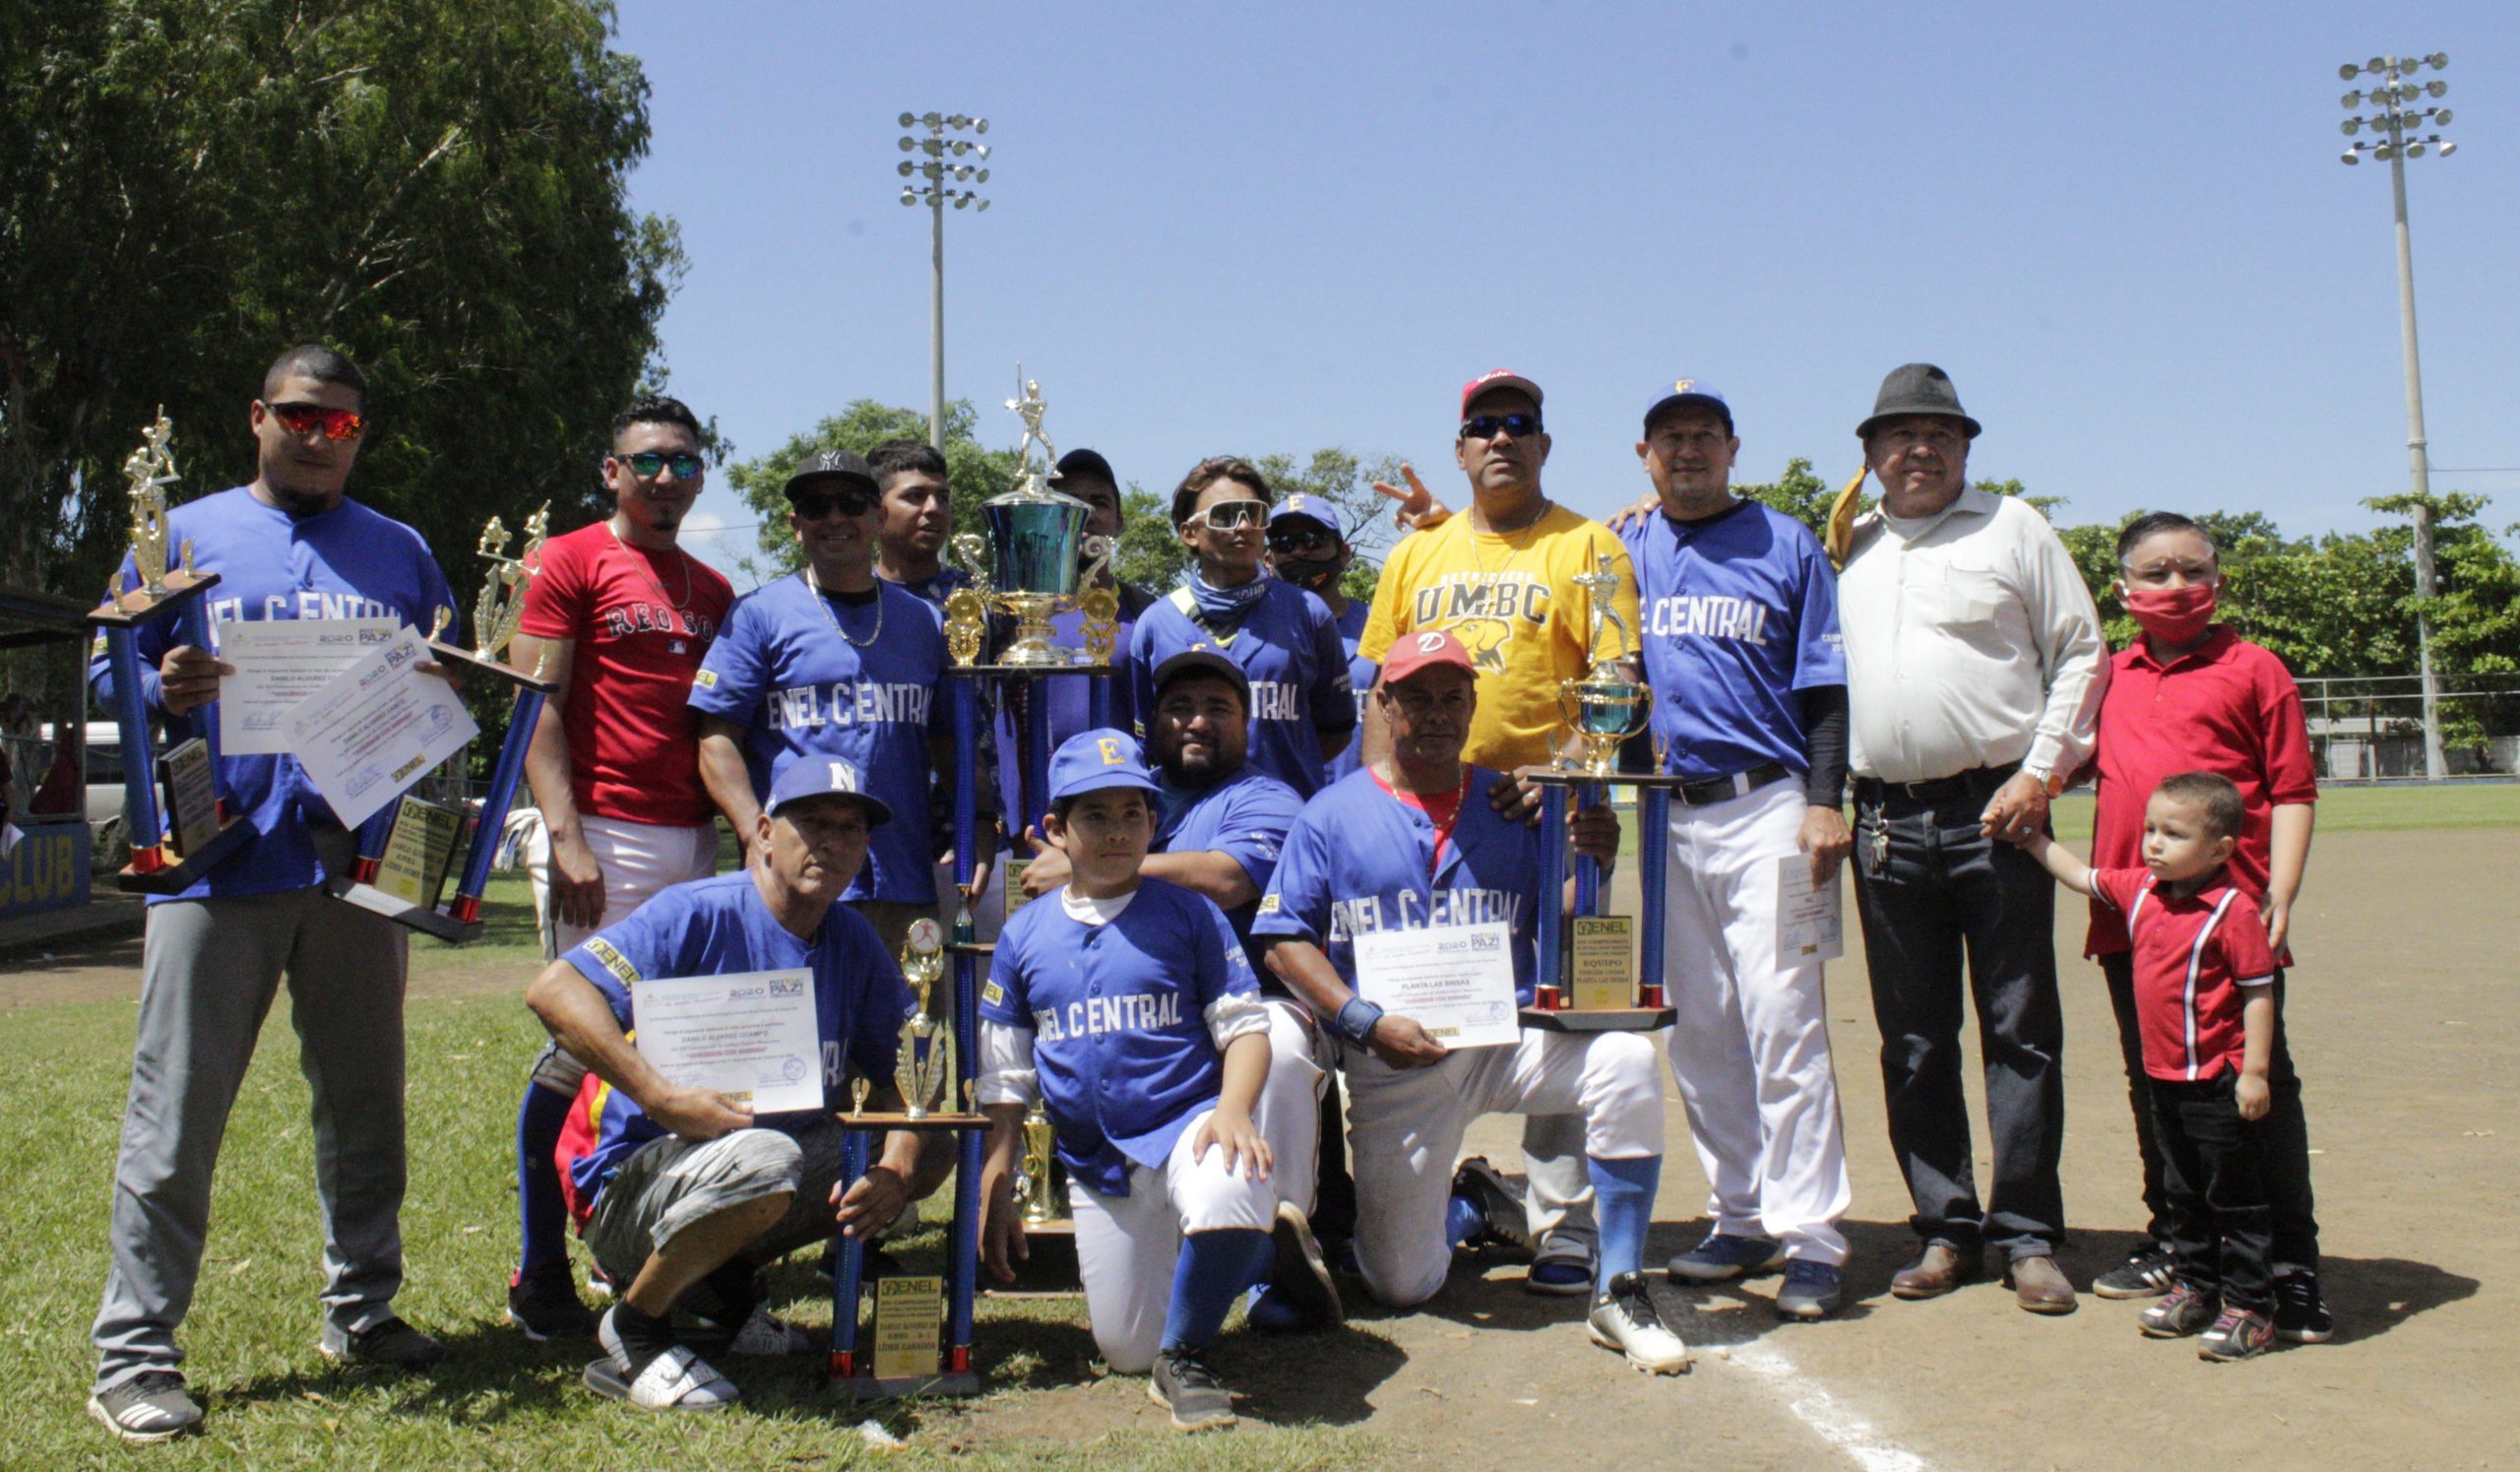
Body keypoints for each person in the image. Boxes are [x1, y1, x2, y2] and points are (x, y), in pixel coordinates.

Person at [86, 346, 458, 1443]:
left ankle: (364, 1309)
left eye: (340, 423)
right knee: (178, 1110)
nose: (318, 435)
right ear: (258, 416)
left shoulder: (400, 550)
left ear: (359, 434)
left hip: (350, 869)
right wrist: (158, 680)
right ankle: (135, 1355)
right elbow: (106, 656)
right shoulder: (184, 533)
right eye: (300, 415)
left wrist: (437, 689)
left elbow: (443, 668)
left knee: (365, 1103)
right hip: (218, 866)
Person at [1252, 630, 1687, 1374]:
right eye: (1417, 696)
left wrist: (1596, 857)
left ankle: (1618, 1284)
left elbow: (1566, 924)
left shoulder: (1511, 803)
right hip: (1397, 1055)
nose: (1437, 713)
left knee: (1626, 1062)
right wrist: (1360, 1019)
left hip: (1507, 1039)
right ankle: (1474, 1204)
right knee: (1400, 1283)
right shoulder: (1331, 811)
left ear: (1474, 704)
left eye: (1453, 697)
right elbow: (1282, 939)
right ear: (1383, 703)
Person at [528, 757, 951, 1409]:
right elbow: (555, 990)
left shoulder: (852, 938)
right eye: (811, 822)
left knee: (930, 1141)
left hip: (747, 1168)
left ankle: (709, 1286)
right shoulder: (697, 912)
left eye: (851, 828)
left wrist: (895, 1168)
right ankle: (636, 1325)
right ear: (762, 831)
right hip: (634, 1184)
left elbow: (905, 1078)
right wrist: (659, 1094)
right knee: (767, 1157)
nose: (832, 842)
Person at [1356, 370, 1642, 1297]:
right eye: (1484, 425)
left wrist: (1555, 773)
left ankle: (1563, 1221)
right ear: (1461, 446)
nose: (1502, 439)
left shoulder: (1587, 545)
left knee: (1565, 1005)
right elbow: (1377, 687)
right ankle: (1419, 1187)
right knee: (1411, 995)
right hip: (1426, 808)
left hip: (1539, 809)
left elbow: (1614, 686)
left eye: (1521, 424)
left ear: (1545, 444)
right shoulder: (1418, 553)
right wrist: (1373, 795)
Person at [1835, 362, 2107, 1314]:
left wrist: (2041, 771)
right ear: (1868, 455)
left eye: (1938, 435)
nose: (1918, 450)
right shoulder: (1849, 545)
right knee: (1912, 1039)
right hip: (1886, 820)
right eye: (1898, 436)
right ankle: (1946, 1227)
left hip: (2001, 810)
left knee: (2019, 1028)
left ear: (1965, 448)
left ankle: (2027, 1233)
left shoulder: (2013, 526)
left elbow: (2081, 650)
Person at [977, 730, 1338, 1431]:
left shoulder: (1189, 912)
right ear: (1055, 828)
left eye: (1133, 813)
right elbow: (1004, 1066)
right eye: (1096, 816)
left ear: (1153, 819)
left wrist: (1235, 1107)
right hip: (1092, 1154)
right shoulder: (1026, 934)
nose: (1117, 832)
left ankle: (1189, 1355)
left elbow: (1245, 1027)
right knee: (1124, 1347)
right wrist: (998, 1166)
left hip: (1185, 1123)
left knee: (1231, 1183)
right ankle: (1271, 1251)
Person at [1617, 380, 1857, 1320]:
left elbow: (1827, 683)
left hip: (1770, 805)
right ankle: (1742, 1210)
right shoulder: (1623, 544)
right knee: (1703, 1026)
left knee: (1784, 1021)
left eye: (1704, 436)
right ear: (1644, 456)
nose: (1688, 451)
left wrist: (1827, 798)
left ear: (1733, 448)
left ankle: (1814, 1234)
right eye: (1670, 438)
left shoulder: (1787, 541)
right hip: (1666, 813)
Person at [505, 394, 736, 1339]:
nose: (667, 478)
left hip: (692, 836)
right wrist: (566, 836)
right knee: (583, 1049)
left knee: (676, 1050)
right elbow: (536, 704)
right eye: (648, 461)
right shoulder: (567, 559)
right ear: (613, 471)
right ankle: (540, 1266)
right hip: (605, 830)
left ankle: (650, 1252)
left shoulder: (714, 587)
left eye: (684, 462)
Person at [1015, 649, 1334, 1325]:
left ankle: (1279, 1240)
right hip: (1153, 1014)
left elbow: (1226, 877)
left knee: (1272, 1038)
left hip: (1246, 998)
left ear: (1248, 723)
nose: (1196, 721)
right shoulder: (1127, 785)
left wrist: (1091, 860)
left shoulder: (1268, 795)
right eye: (1179, 707)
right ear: (1151, 719)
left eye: (1218, 708)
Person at [2081, 512, 2328, 1341]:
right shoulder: (2107, 676)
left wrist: (2280, 891)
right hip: (2139, 922)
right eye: (2157, 572)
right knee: (2159, 1088)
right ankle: (2186, 1252)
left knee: (2257, 1095)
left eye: (2194, 569)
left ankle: (2289, 1267)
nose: (2177, 586)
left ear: (2218, 582)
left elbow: (2292, 789)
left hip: (2230, 921)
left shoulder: (2255, 669)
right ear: (2125, 591)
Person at [2013, 773, 2282, 1361]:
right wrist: (2035, 842)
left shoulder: (2233, 911)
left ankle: (2251, 1308)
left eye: (2174, 834)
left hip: (2216, 1082)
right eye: (2151, 831)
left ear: (2220, 850)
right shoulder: (2140, 890)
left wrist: (2255, 1072)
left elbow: (2259, 992)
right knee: (2180, 1192)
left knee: (2234, 1199)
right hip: (2163, 1081)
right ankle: (2195, 1287)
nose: (2154, 844)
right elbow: (2083, 877)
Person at [691, 447, 977, 959]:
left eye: (850, 502)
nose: (835, 518)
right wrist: (752, 831)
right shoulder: (760, 615)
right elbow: (717, 737)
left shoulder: (923, 621)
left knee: (902, 1032)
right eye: (817, 506)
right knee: (791, 1030)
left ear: (877, 516)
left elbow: (949, 743)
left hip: (899, 873)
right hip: (792, 875)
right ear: (796, 524)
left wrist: (979, 823)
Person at [1127, 457, 1354, 800]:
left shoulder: (1308, 613)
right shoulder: (1157, 624)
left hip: (1288, 825)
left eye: (1255, 513)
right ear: (1189, 533)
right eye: (1226, 516)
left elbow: (1335, 731)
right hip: (1188, 829)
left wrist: (1278, 777)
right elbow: (1153, 739)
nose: (1245, 526)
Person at [992, 448, 1157, 917]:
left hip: (1119, 838)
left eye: (1098, 501)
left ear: (1119, 521)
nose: (1084, 515)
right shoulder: (1010, 614)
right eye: (1068, 500)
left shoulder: (1147, 613)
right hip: (1030, 839)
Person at [1265, 493, 1376, 786]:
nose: (1299, 552)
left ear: (1343, 553)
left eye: (1313, 540)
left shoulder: (1381, 626)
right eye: (1284, 544)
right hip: (1281, 809)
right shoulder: (1255, 636)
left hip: (1362, 807)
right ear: (1268, 559)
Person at [868, 438, 963, 607]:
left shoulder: (975, 600)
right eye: (915, 496)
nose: (934, 508)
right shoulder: (849, 599)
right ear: (877, 511)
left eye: (943, 498)